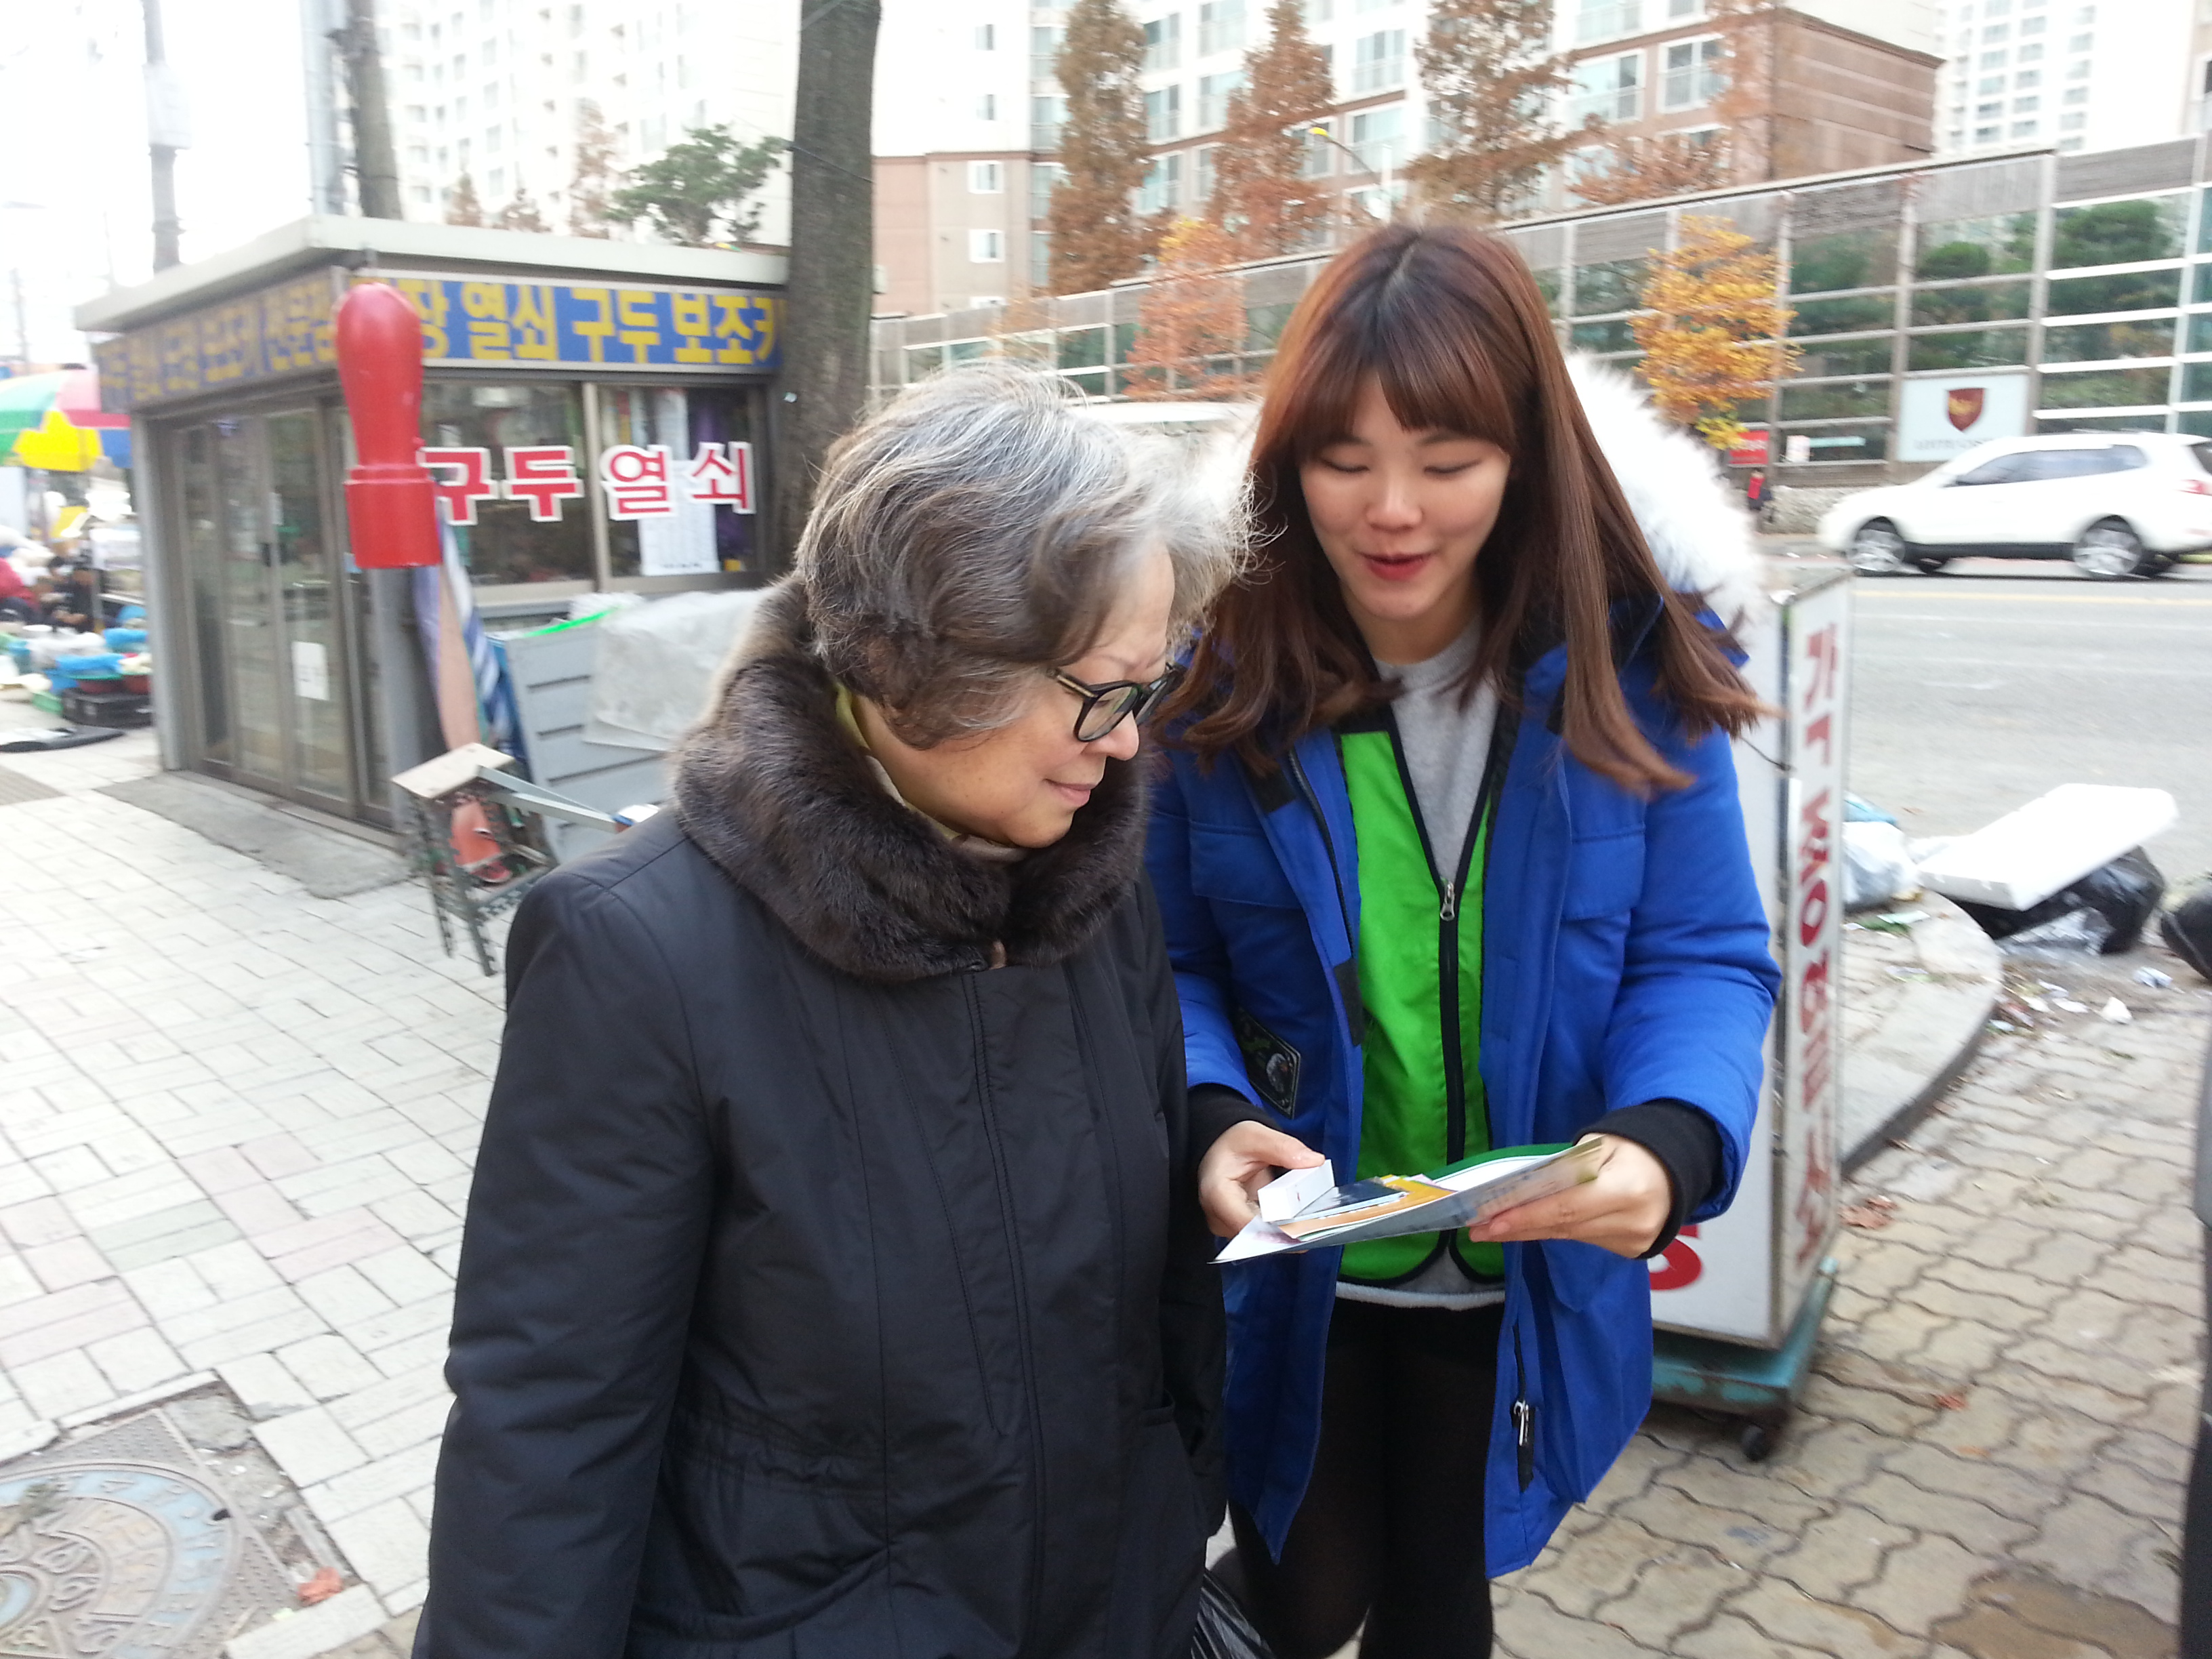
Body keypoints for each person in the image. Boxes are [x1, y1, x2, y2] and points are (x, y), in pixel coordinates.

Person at [417, 365, 1248, 1658]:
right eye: (1097, 691)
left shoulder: (1094, 885)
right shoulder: (638, 952)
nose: (1127, 742)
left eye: (1148, 685)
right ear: (915, 664)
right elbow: (552, 1421)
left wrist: (1199, 1142)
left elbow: (1123, 1257)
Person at [1146, 224, 1782, 1659]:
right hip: (1298, 1263)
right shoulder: (1213, 682)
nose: (1393, 512)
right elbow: (1165, 959)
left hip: (1520, 1264)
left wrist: (1670, 1140)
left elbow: (1703, 957)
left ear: (1525, 456)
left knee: (1444, 1596)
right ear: (1288, 464)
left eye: (1447, 460)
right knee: (1301, 1594)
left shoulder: (1634, 669)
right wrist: (1209, 1110)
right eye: (1343, 460)